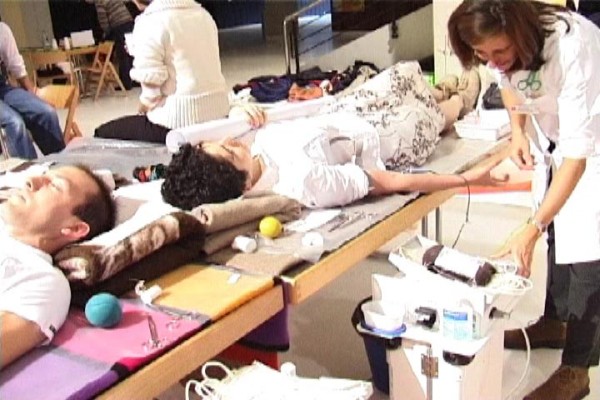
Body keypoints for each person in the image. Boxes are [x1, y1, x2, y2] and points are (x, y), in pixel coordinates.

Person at [447, 1, 600, 399]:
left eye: (499, 51)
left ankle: (577, 368)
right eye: (482, 54)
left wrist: (531, 228)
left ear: (519, 32)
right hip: (558, 138)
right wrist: (518, 130)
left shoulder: (572, 46)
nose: (493, 61)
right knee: (557, 232)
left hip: (594, 142)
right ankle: (555, 321)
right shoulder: (501, 51)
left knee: (588, 251)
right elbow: (508, 83)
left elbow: (578, 157)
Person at [161, 108, 505, 211]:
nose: (229, 141)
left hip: (351, 107)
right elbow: (390, 181)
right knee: (444, 110)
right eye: (228, 151)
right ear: (245, 184)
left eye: (219, 142)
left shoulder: (252, 143)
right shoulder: (303, 182)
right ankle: (463, 96)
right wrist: (467, 179)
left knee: (407, 75)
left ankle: (453, 91)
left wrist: (240, 109)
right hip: (386, 135)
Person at [94, 0, 264, 144]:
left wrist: (143, 107)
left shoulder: (149, 22)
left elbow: (152, 92)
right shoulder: (204, 15)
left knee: (102, 133)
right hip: (218, 115)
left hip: (175, 123)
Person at [0, 164, 116, 369]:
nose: (31, 181)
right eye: (43, 175)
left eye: (54, 186)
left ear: (74, 228)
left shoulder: (42, 281)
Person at [0, 22, 65, 159]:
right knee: (14, 123)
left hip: (3, 87)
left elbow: (16, 65)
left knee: (46, 112)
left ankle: (61, 164)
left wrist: (32, 94)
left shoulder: (2, 29)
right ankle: (30, 169)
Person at [86, 0, 135, 90]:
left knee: (122, 55)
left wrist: (106, 33)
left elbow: (103, 20)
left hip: (119, 25)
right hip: (129, 22)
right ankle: (135, 80)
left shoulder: (99, 2)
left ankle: (126, 83)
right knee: (131, 52)